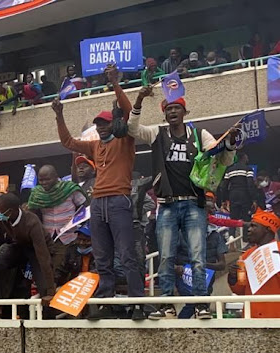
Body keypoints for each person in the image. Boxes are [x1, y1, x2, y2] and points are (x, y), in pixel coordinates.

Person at [128, 86, 238, 320]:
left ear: (185, 112)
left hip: (193, 204)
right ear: (164, 114)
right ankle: (166, 304)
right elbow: (132, 128)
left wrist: (229, 144)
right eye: (168, 109)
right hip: (166, 204)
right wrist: (138, 99)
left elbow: (223, 159)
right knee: (166, 257)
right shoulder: (157, 134)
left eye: (177, 108)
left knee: (197, 257)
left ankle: (200, 305)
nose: (172, 112)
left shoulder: (200, 135)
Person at [52, 65, 146, 320]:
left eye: (104, 123)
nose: (101, 127)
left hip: (119, 200)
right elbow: (68, 143)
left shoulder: (125, 138)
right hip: (98, 204)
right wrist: (59, 116)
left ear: (113, 123)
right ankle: (105, 300)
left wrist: (115, 83)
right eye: (98, 124)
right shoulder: (94, 146)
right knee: (102, 256)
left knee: (127, 255)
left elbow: (130, 112)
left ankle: (138, 302)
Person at [0, 193, 55, 319]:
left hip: (37, 249)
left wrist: (50, 289)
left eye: (1, 209)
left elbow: (43, 256)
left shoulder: (32, 222)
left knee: (42, 277)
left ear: (13, 210)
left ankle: (49, 314)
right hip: (18, 245)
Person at [26, 164, 87, 286]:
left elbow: (84, 207)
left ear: (56, 177)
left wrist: (79, 225)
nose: (43, 183)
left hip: (68, 237)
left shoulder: (70, 189)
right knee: (47, 269)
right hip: (47, 238)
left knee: (60, 271)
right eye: (41, 180)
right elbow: (32, 214)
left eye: (47, 179)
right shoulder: (37, 194)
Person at [230, 209, 280, 318]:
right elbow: (240, 290)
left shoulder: (278, 249)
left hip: (275, 314)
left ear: (267, 229)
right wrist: (233, 277)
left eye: (254, 226)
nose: (249, 229)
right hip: (252, 315)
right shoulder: (246, 255)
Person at [222, 153, 255, 223]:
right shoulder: (248, 169)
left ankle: (232, 233)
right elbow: (250, 185)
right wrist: (254, 199)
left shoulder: (229, 170)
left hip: (233, 196)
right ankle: (245, 233)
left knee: (233, 219)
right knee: (246, 219)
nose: (248, 159)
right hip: (245, 195)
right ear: (244, 158)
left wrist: (224, 199)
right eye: (247, 158)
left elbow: (224, 186)